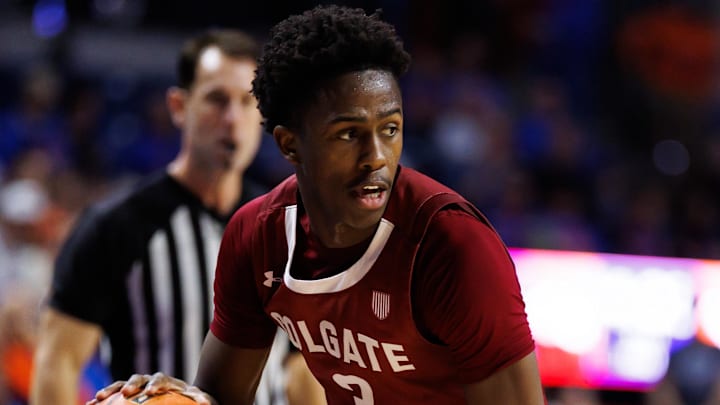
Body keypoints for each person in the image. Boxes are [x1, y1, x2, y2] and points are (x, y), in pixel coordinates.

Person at [90, 5, 544, 404]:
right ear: (290, 145)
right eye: (348, 134)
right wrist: (172, 399)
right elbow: (220, 398)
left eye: (390, 129)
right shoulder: (258, 237)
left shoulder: (452, 247)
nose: (376, 158)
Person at [30, 29, 288, 405]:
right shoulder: (115, 225)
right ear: (179, 106)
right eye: (217, 100)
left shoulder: (283, 226)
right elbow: (58, 361)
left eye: (247, 102)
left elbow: (299, 370)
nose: (233, 118)